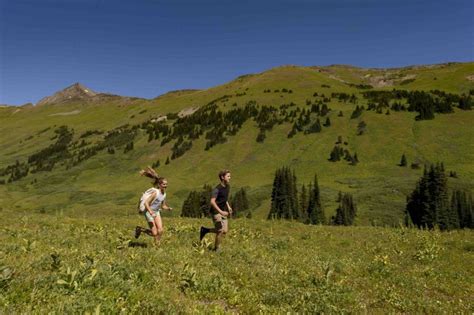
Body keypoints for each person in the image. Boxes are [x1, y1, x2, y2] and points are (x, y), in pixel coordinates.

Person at [135, 167, 172, 246]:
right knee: (154, 233)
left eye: (166, 184)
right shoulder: (155, 193)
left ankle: (157, 245)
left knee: (160, 230)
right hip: (148, 212)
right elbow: (146, 203)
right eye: (164, 184)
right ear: (159, 185)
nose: (166, 186)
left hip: (156, 212)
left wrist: (168, 208)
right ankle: (140, 229)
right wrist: (150, 211)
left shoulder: (164, 194)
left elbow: (163, 206)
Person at [200, 170, 232, 251]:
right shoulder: (217, 189)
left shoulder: (227, 187)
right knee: (220, 230)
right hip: (216, 212)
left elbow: (225, 199)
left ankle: (205, 230)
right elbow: (212, 201)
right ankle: (216, 249)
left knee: (225, 231)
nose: (230, 178)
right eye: (228, 176)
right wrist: (220, 212)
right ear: (222, 177)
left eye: (230, 176)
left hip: (223, 211)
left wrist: (228, 207)